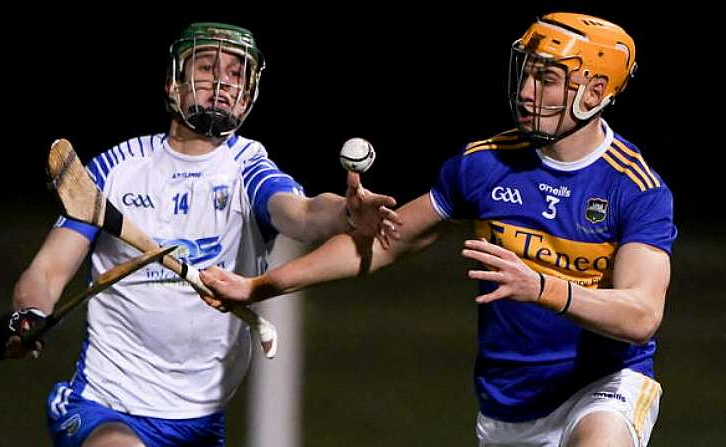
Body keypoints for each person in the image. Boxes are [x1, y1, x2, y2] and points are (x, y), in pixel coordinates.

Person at [199, 13, 677, 447]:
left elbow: (640, 315)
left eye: (548, 79)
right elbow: (386, 244)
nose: (528, 91)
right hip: (508, 406)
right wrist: (259, 285)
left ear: (594, 93)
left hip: (603, 385)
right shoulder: (484, 164)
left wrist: (543, 288)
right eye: (528, 72)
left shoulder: (635, 188)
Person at [0, 22, 400, 447]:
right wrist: (30, 314)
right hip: (105, 405)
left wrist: (345, 214)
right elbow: (47, 271)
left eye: (237, 73)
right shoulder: (115, 170)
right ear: (173, 84)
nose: (223, 82)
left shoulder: (247, 166)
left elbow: (301, 212)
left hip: (199, 424)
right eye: (207, 68)